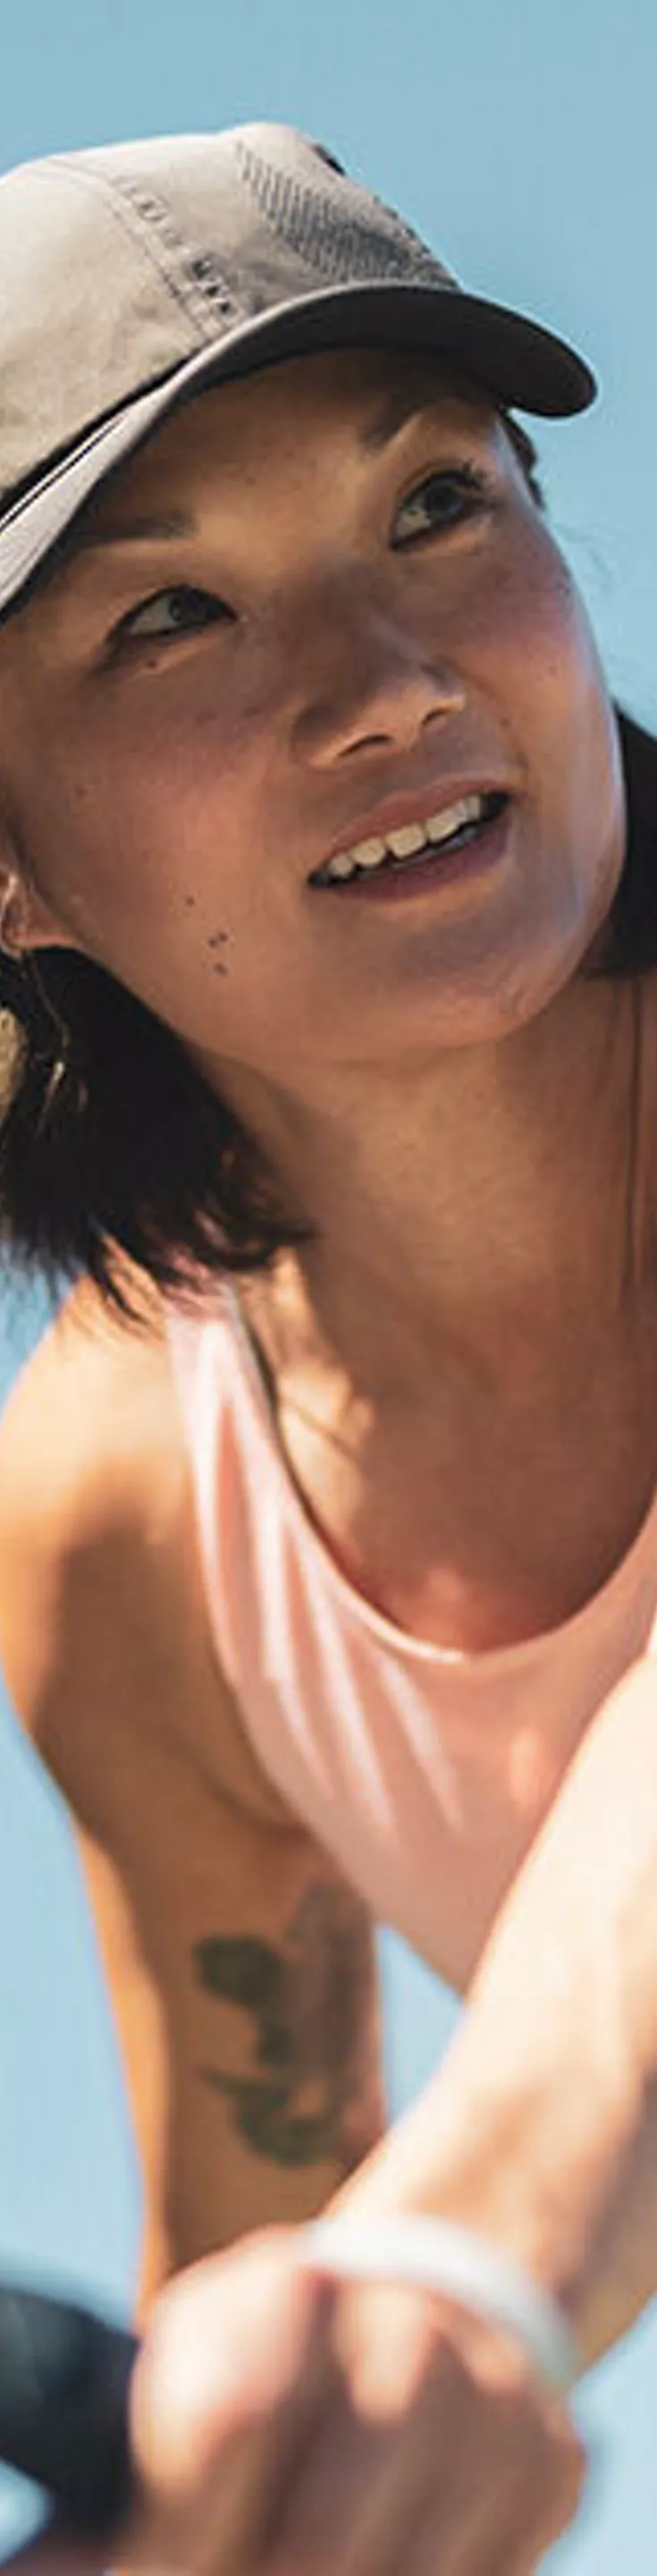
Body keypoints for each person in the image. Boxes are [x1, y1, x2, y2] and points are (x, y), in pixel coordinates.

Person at [0, 115, 656, 2575]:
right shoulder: (127, 1509)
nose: (389, 685)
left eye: (436, 507)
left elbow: (411, 2285)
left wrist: (461, 2271)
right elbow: (273, 2304)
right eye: (172, 615)